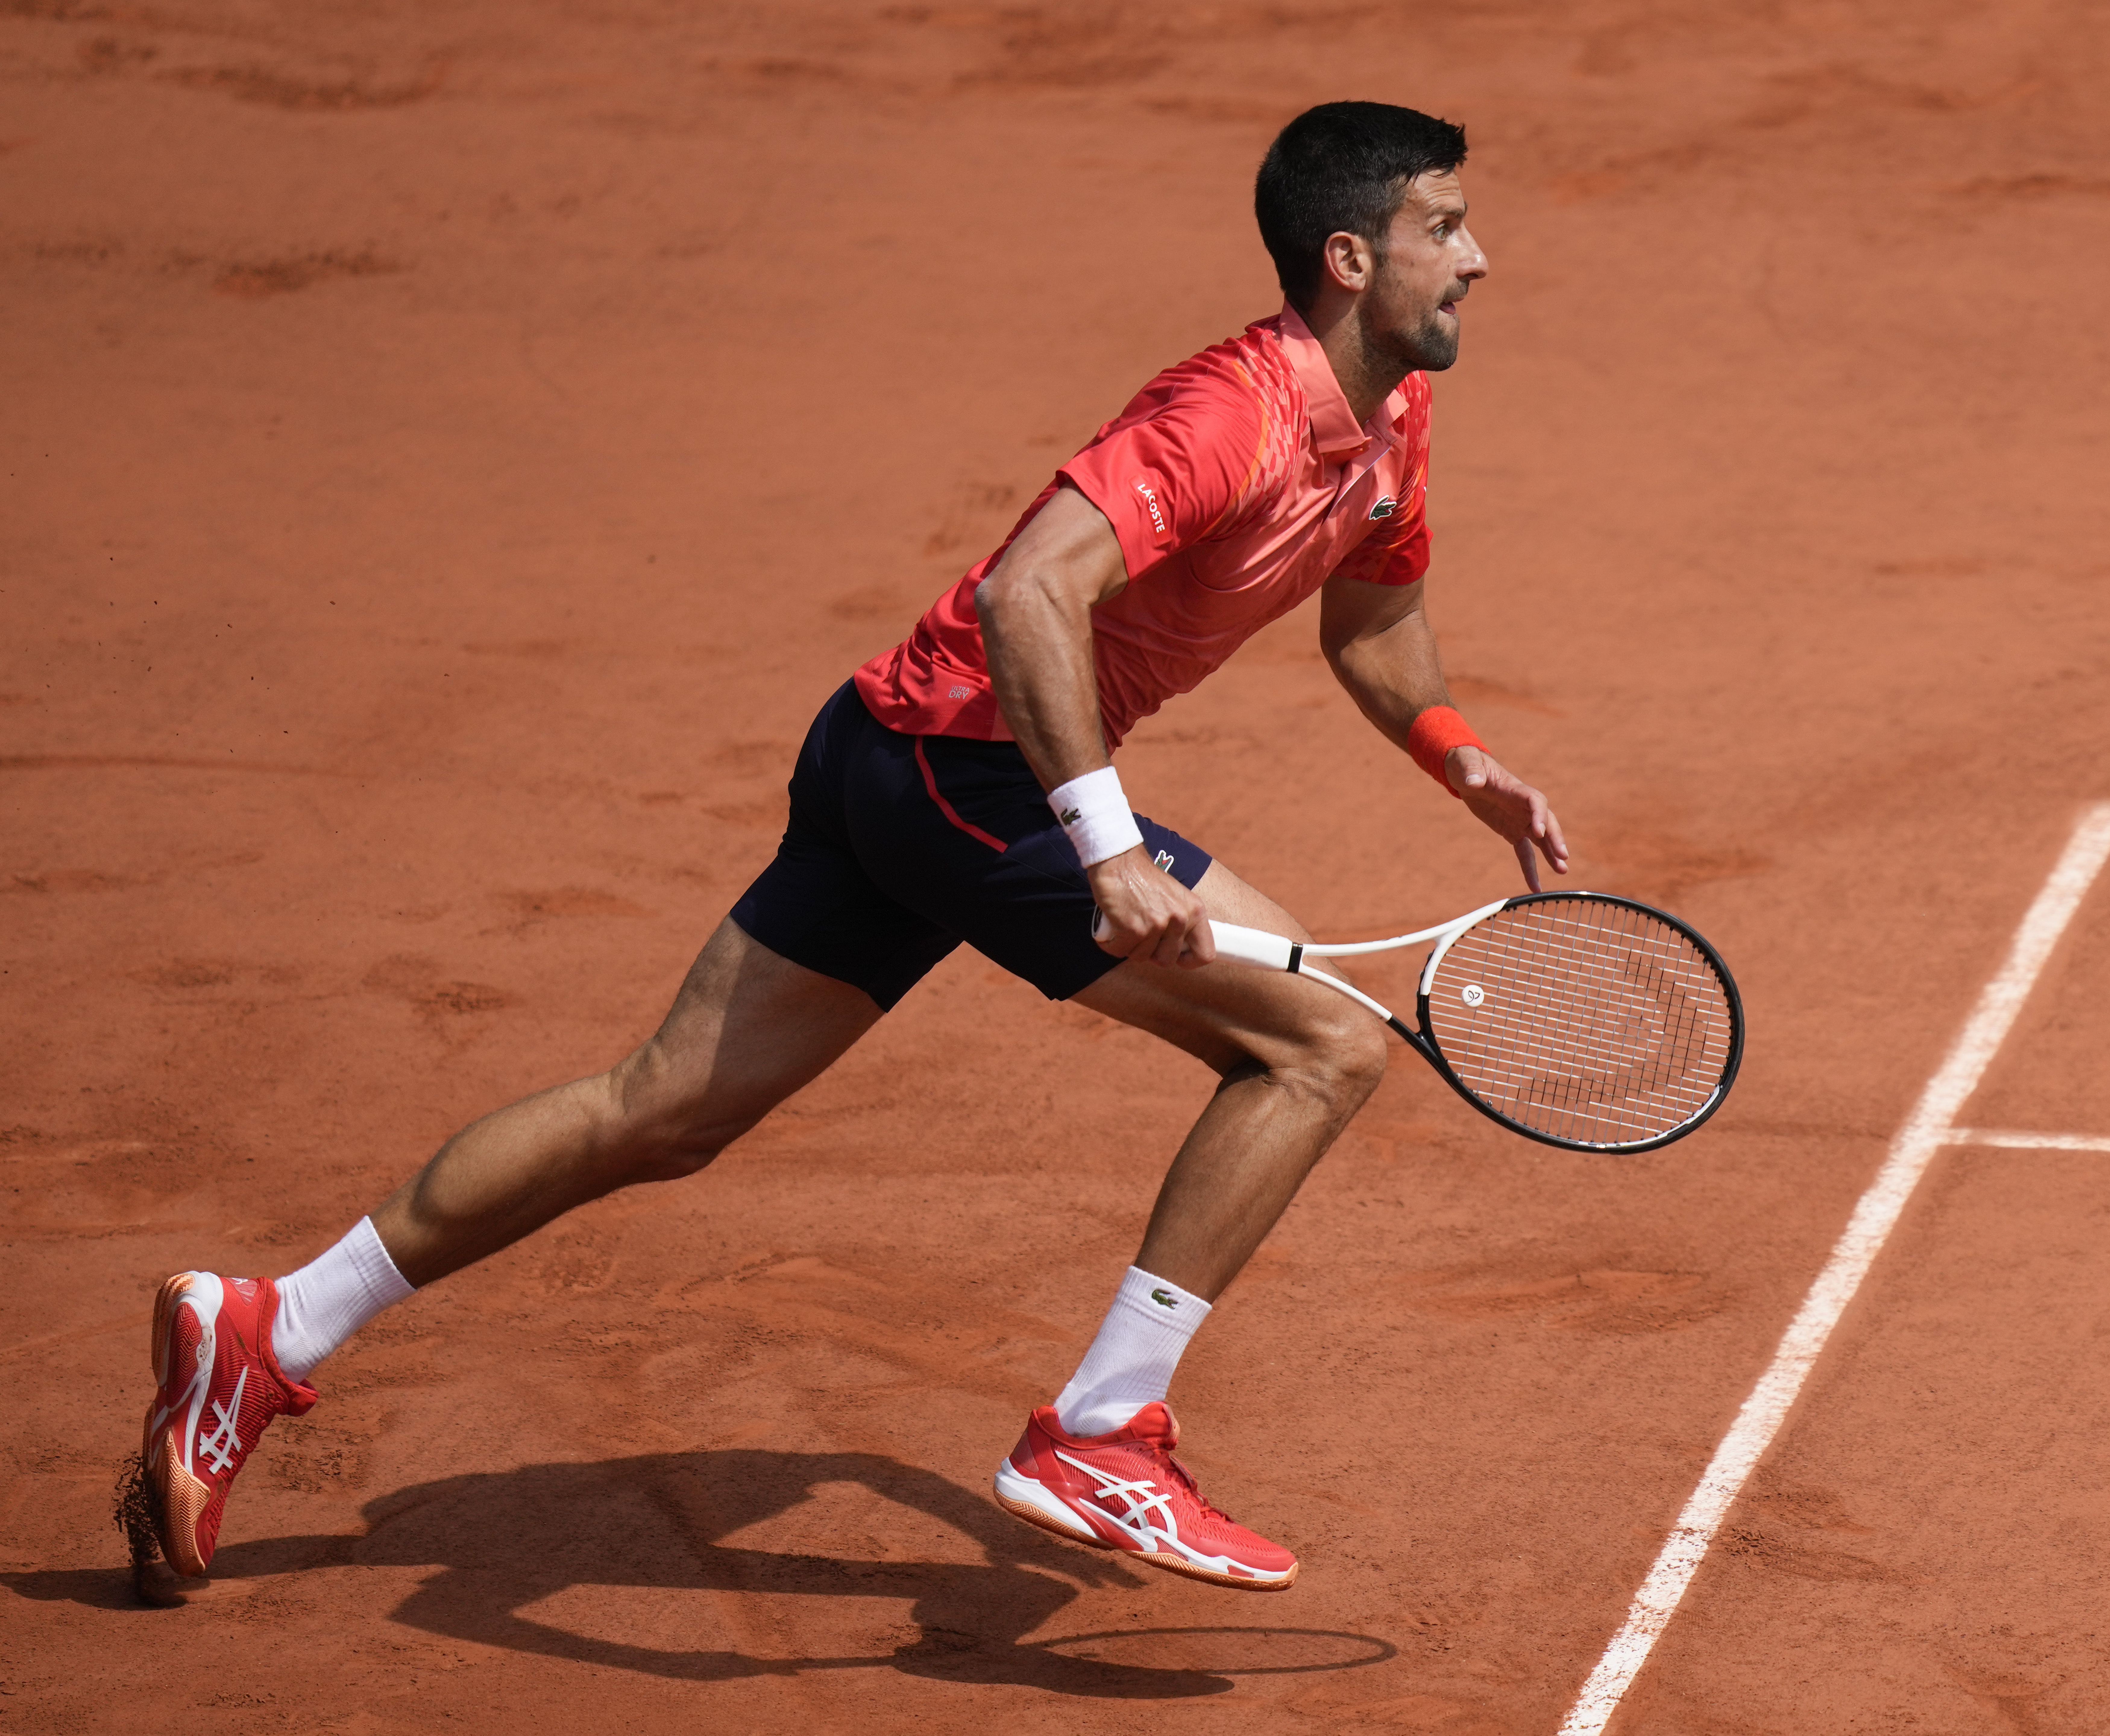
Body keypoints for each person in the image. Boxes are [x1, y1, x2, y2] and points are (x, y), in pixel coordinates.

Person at [126, 99, 1567, 1602]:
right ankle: (1100, 1433)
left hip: (896, 756)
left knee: (662, 1111)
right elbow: (1029, 598)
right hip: (969, 770)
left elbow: (1377, 618)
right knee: (1323, 1049)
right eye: (1447, 228)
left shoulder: (1391, 415)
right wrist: (1106, 850)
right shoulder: (1233, 415)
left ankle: (272, 1323)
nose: (1481, 258)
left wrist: (1463, 761)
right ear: (1351, 257)